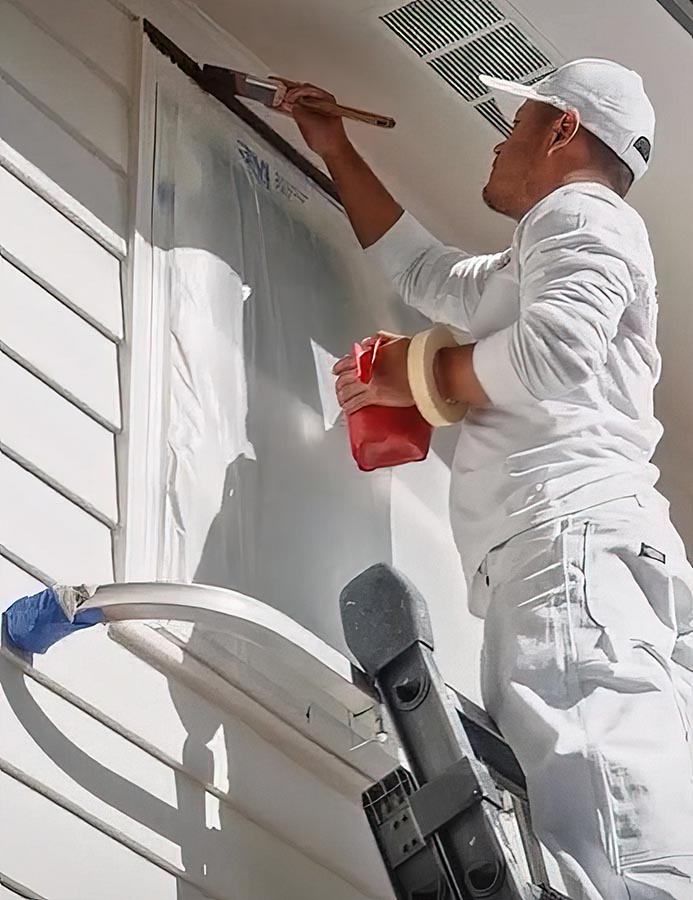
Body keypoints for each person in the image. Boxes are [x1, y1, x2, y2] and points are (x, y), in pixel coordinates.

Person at [285, 59, 693, 900]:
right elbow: (424, 274)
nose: (499, 146)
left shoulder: (579, 212)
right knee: (635, 813)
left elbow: (554, 352)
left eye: (514, 126)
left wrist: (417, 377)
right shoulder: (543, 249)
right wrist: (333, 148)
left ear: (561, 129)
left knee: (613, 839)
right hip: (597, 549)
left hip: (567, 543)